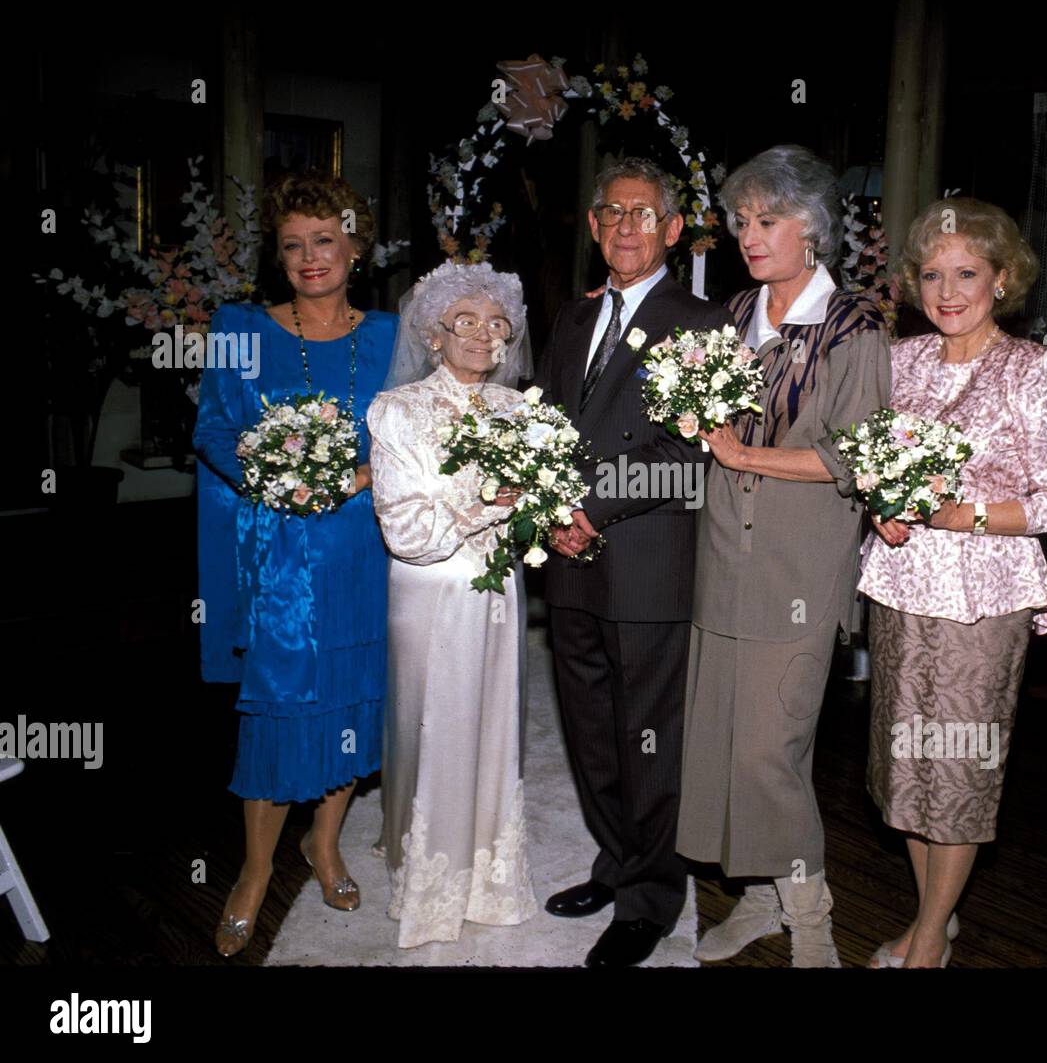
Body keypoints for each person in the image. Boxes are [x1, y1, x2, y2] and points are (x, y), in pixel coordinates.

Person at [675, 145, 892, 967]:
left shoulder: (856, 326)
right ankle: (762, 897)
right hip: (723, 561)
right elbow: (701, 415)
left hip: (801, 570)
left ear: (813, 229)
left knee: (773, 752)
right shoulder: (733, 318)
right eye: (739, 221)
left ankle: (812, 920)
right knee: (729, 742)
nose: (749, 234)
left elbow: (860, 456)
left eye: (768, 220)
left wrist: (744, 455)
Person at [860, 196, 1047, 967]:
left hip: (985, 601)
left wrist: (967, 515)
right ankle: (934, 918)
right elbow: (876, 471)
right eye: (931, 274)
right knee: (908, 768)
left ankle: (927, 941)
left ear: (1002, 278)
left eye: (966, 273)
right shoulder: (899, 361)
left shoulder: (1035, 368)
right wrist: (882, 508)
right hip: (899, 588)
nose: (947, 291)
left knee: (957, 768)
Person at [193, 170, 397, 957]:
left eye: (326, 239)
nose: (311, 257)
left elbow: (417, 433)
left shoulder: (390, 335)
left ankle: (326, 843)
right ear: (277, 258)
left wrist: (363, 476)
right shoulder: (241, 326)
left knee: (352, 702)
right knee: (278, 710)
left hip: (364, 550)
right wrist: (270, 472)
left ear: (355, 245)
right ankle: (252, 870)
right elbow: (212, 429)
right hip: (278, 555)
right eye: (293, 245)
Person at [537, 157, 733, 967]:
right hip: (569, 556)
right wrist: (549, 510)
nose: (625, 226)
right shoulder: (572, 320)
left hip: (648, 560)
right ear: (593, 226)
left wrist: (591, 509)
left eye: (643, 214)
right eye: (612, 212)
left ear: (673, 229)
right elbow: (543, 427)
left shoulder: (701, 321)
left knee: (647, 736)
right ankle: (616, 863)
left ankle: (651, 896)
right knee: (589, 730)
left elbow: (686, 449)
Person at [366, 261, 538, 946]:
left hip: (499, 589)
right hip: (432, 591)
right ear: (433, 336)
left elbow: (534, 507)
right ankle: (427, 871)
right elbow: (407, 530)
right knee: (430, 721)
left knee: (493, 719)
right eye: (463, 322)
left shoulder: (518, 409)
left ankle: (488, 874)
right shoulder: (397, 410)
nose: (481, 334)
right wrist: (483, 505)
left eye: (495, 324)